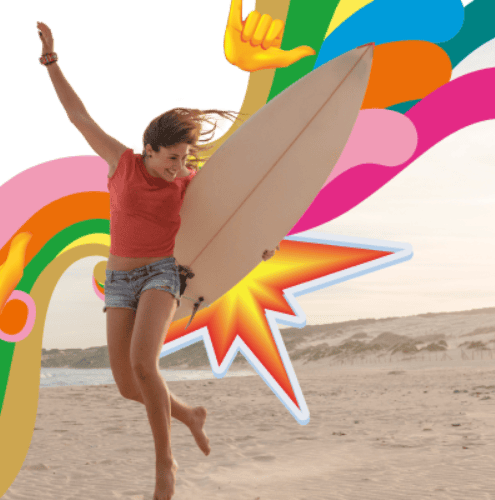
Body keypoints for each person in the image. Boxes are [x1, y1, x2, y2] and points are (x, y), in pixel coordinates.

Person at [36, 8, 311, 499]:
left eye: (185, 159)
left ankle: (166, 467)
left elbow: (238, 214)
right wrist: (52, 60)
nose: (180, 168)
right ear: (148, 149)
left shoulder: (187, 182)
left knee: (145, 366)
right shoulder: (121, 163)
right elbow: (79, 115)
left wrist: (262, 246)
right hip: (119, 281)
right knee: (126, 385)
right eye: (172, 159)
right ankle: (189, 414)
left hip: (162, 275)